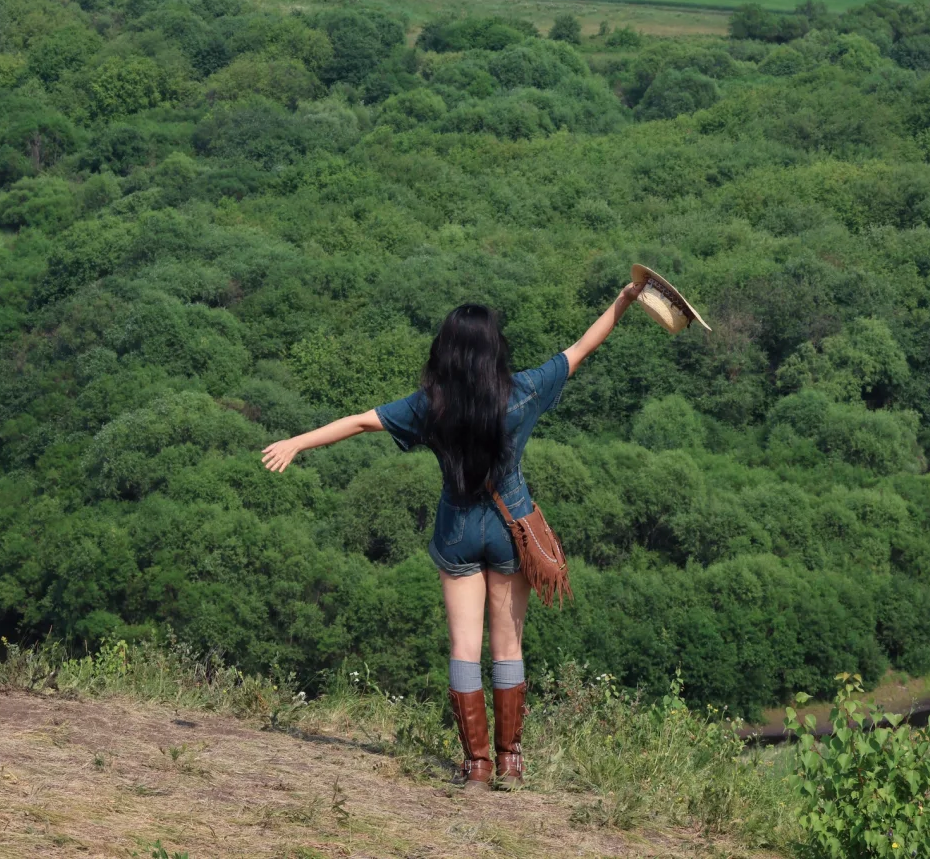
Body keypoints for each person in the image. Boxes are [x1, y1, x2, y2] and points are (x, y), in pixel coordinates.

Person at [261, 280, 644, 787]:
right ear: (494, 350)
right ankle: (510, 759)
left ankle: (477, 765)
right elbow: (583, 347)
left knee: (465, 648)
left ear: (446, 351)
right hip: (512, 531)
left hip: (457, 531)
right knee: (508, 647)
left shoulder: (429, 406)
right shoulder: (524, 390)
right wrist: (624, 300)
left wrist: (296, 442)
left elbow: (358, 422)